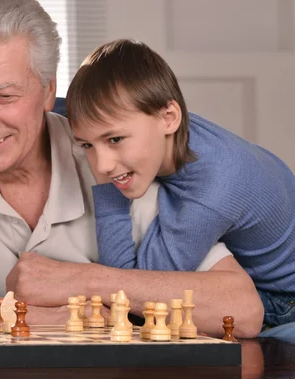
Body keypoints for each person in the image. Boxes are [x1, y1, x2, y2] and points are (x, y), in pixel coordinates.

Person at [0, 0, 262, 337]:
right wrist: (30, 316)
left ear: (48, 91)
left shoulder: (107, 157)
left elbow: (242, 310)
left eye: (4, 96)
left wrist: (84, 281)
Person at [65, 39, 295, 337]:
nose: (102, 164)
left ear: (169, 118)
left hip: (281, 301)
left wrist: (108, 190)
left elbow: (134, 288)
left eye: (115, 140)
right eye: (87, 145)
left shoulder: (213, 190)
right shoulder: (167, 127)